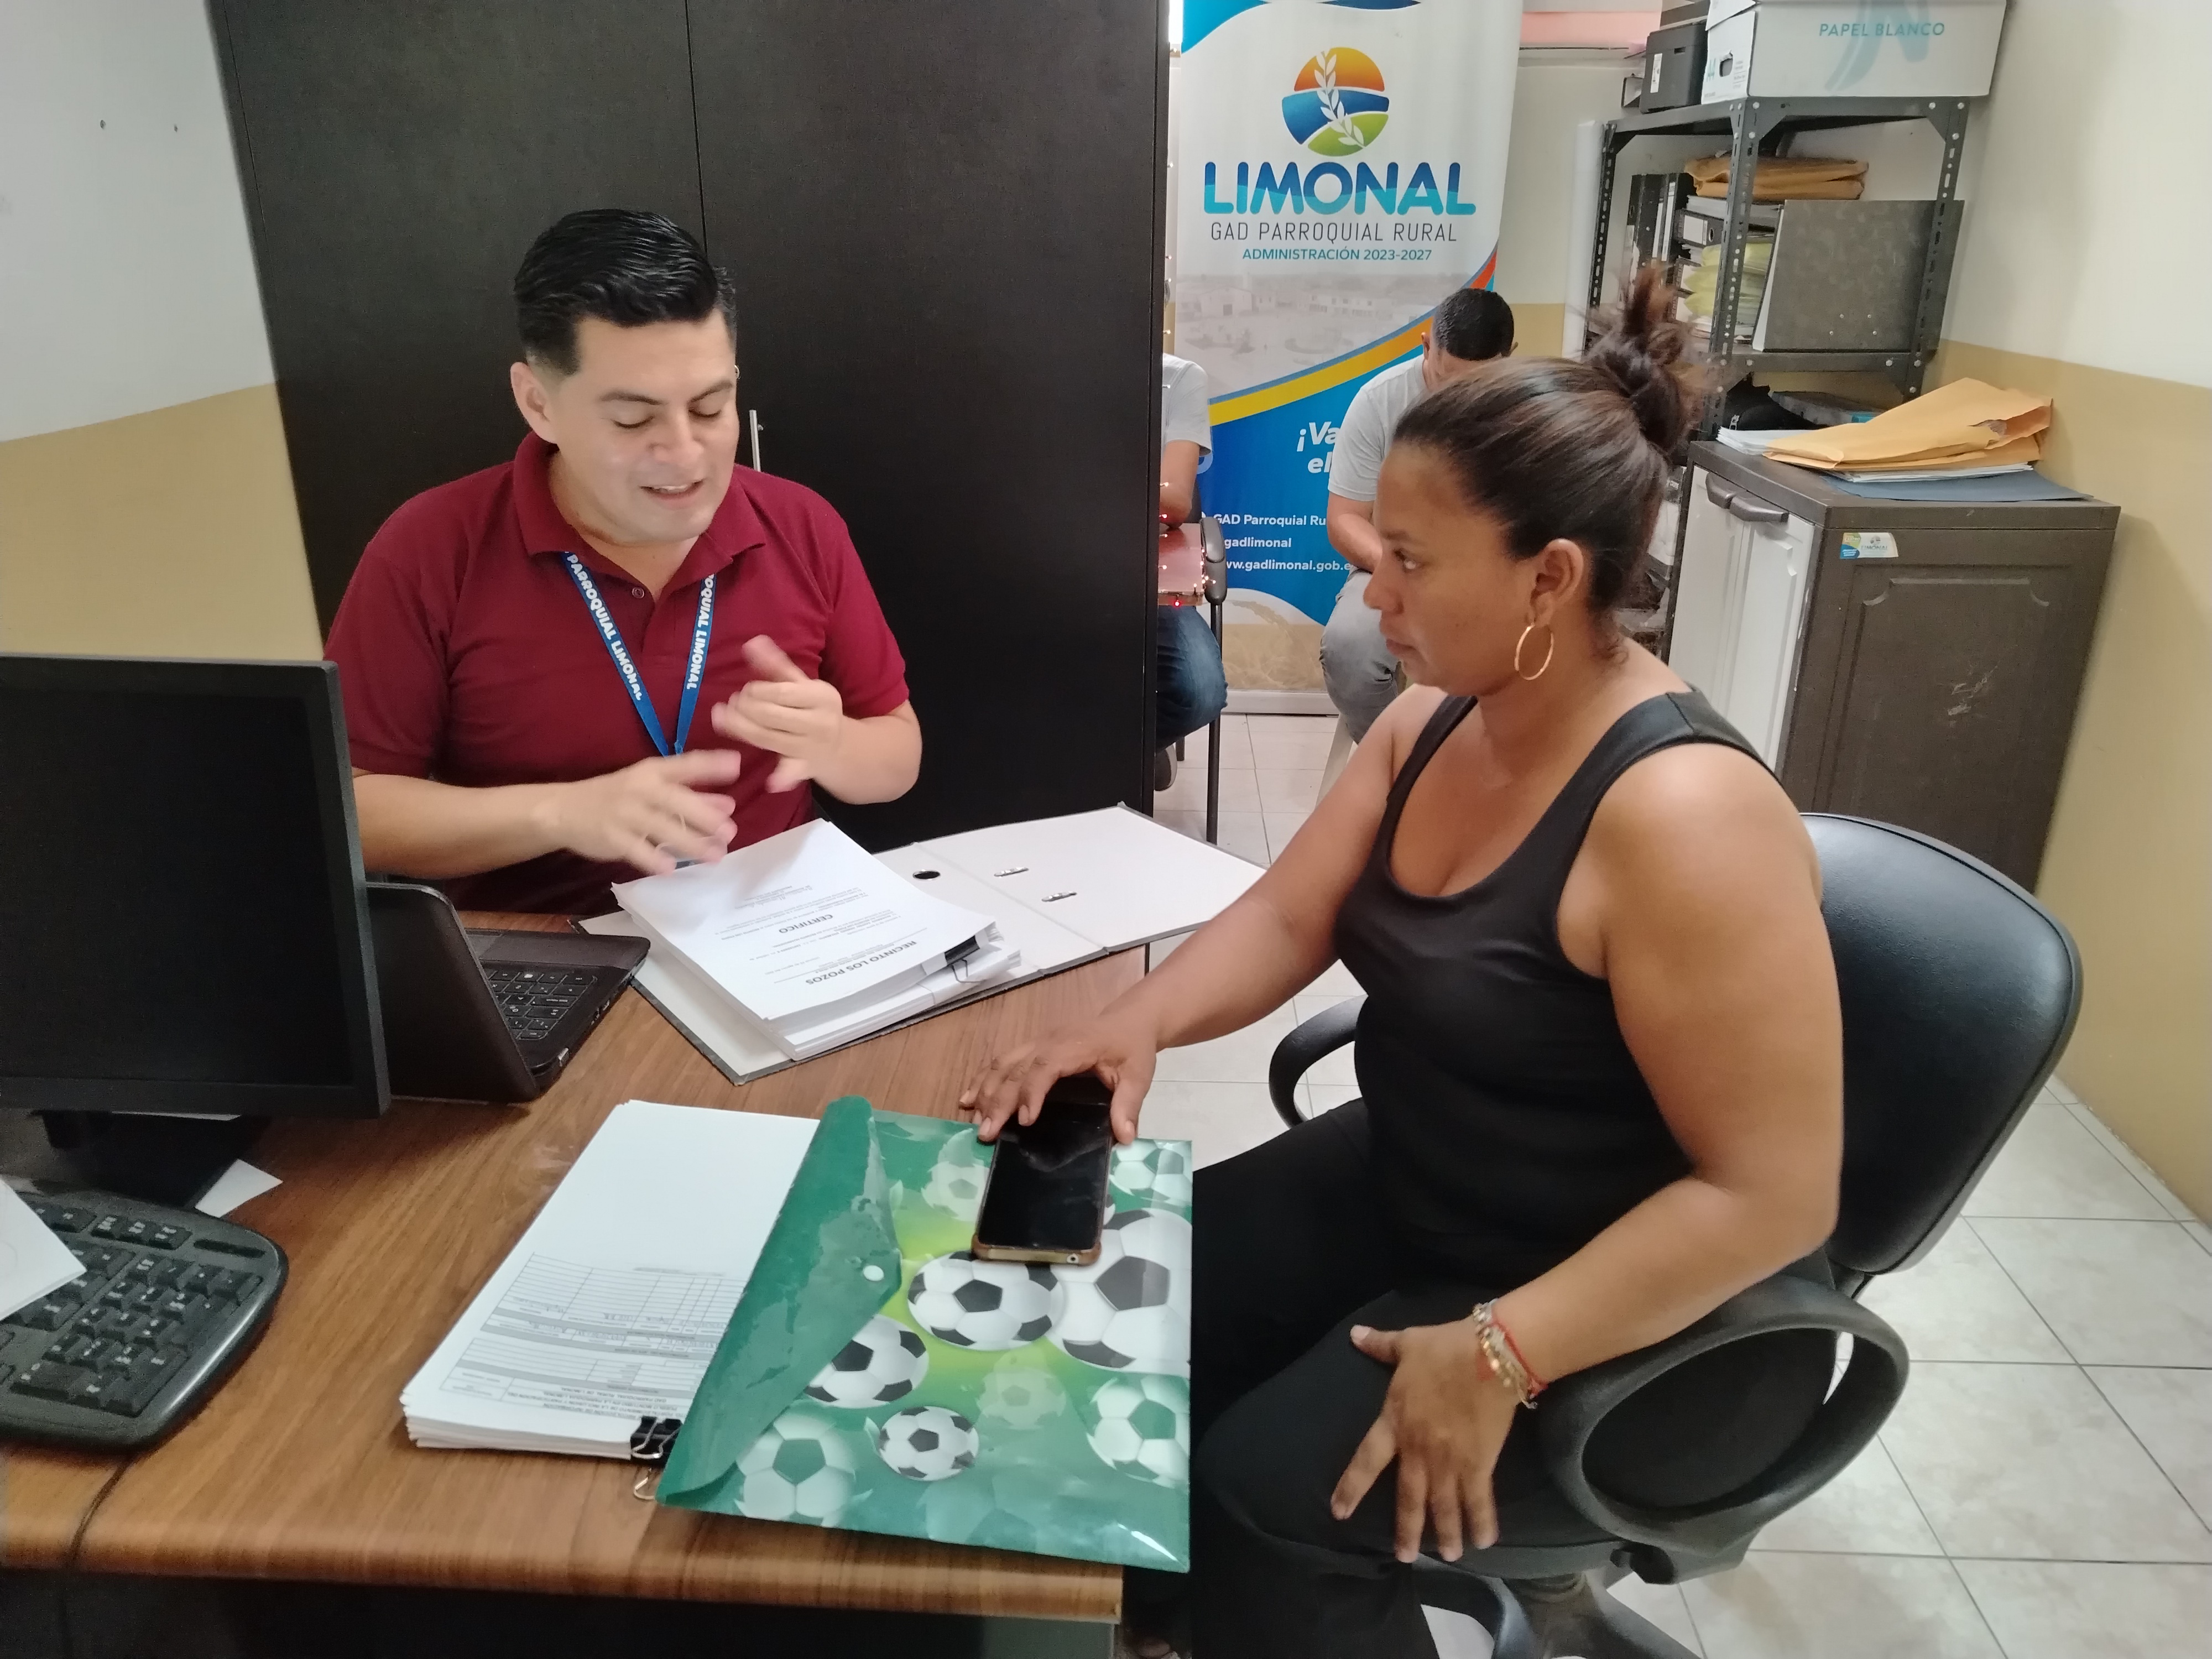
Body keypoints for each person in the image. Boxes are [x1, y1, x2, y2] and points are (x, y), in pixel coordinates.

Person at [962, 269, 1843, 1657]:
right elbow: (1287, 917)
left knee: (1269, 1497)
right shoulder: (1430, 719)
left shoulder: (1684, 818)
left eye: (1411, 562)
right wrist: (1135, 1021)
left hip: (1618, 1295)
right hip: (1430, 1174)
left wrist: (1504, 1347)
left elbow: (1774, 1193)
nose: (1371, 587)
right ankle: (1178, 1624)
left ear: (1549, 577)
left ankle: (1257, 1596)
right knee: (1124, 1309)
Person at [326, 209, 920, 913]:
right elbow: (351, 812)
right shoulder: (431, 549)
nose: (684, 454)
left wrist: (835, 745)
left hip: (781, 927)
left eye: (710, 408)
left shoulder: (800, 524)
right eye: (633, 420)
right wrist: (560, 813)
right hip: (553, 948)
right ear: (538, 404)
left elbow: (897, 757)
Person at [1322, 288, 1515, 741]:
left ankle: (1482, 761)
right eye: (1447, 381)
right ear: (1427, 346)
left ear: (1508, 360)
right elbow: (1345, 519)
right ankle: (1399, 759)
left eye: (1477, 386)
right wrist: (1407, 570)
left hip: (1488, 575)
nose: (1460, 399)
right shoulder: (1380, 402)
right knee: (1350, 650)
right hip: (1393, 564)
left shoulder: (1527, 412)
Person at [1157, 352, 1228, 787]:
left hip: (1151, 574)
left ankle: (1135, 746)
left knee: (1199, 689)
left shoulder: (1178, 378)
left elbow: (1173, 501)